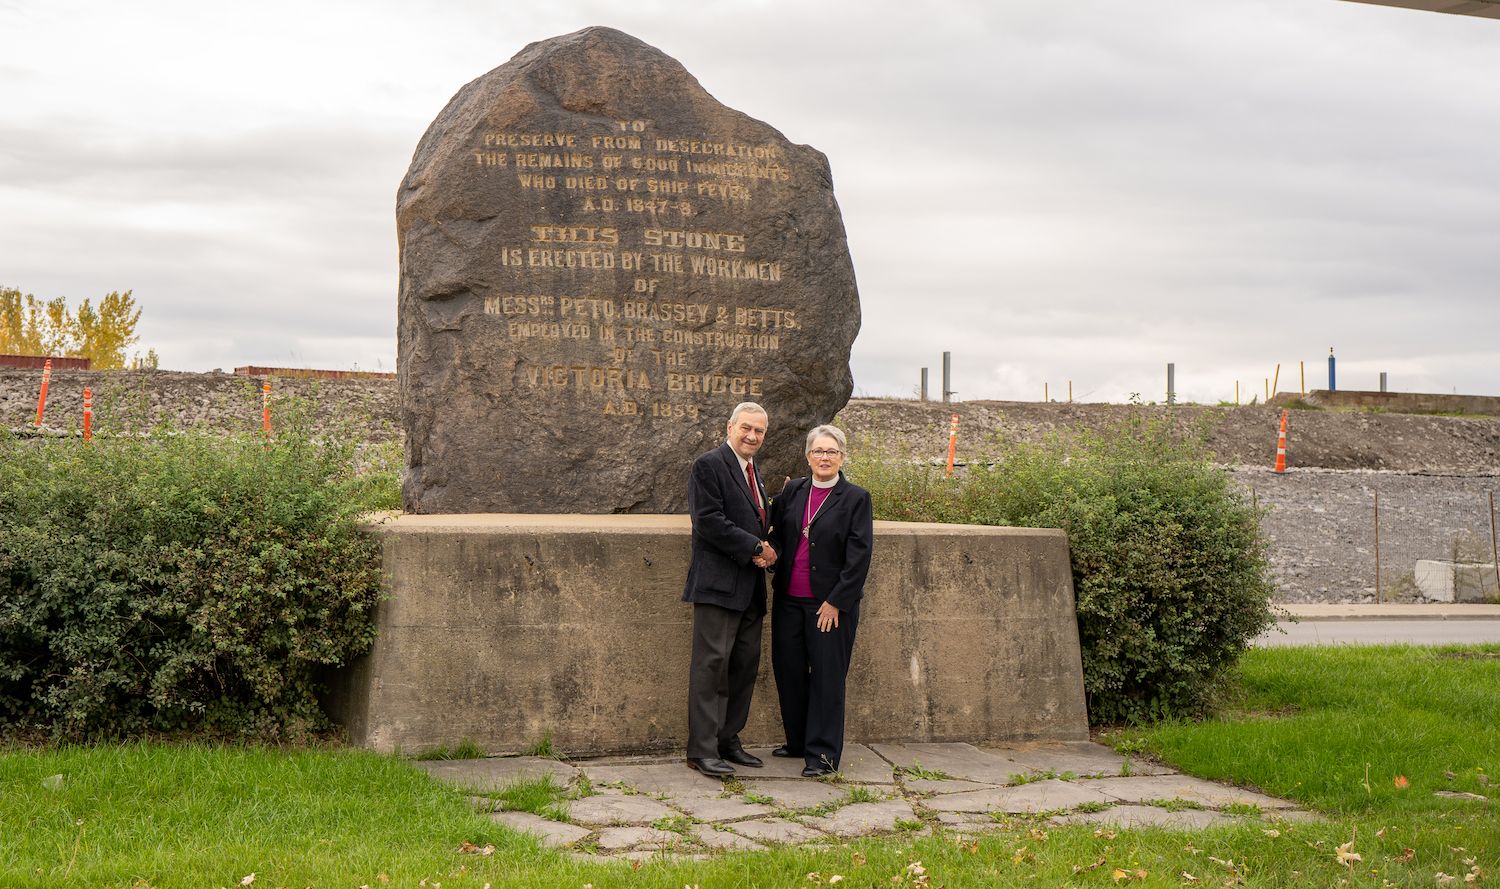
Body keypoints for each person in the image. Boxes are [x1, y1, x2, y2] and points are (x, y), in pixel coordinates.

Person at [767, 424, 873, 777]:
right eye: (818, 451)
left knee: (827, 679)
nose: (824, 457)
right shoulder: (793, 492)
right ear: (808, 456)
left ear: (842, 457)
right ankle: (798, 742)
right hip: (788, 600)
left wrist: (836, 602)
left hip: (829, 607)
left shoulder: (856, 498)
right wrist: (769, 554)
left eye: (831, 452)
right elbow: (780, 537)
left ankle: (822, 755)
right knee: (790, 673)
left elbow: (859, 557)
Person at [682, 402, 778, 777]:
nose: (752, 436)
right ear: (730, 427)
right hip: (718, 587)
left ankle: (727, 739)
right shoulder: (709, 466)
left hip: (750, 590)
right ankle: (701, 749)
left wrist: (769, 551)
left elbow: (761, 525)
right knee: (711, 667)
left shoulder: (755, 472)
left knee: (742, 668)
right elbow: (708, 521)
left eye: (759, 431)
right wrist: (755, 548)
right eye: (746, 429)